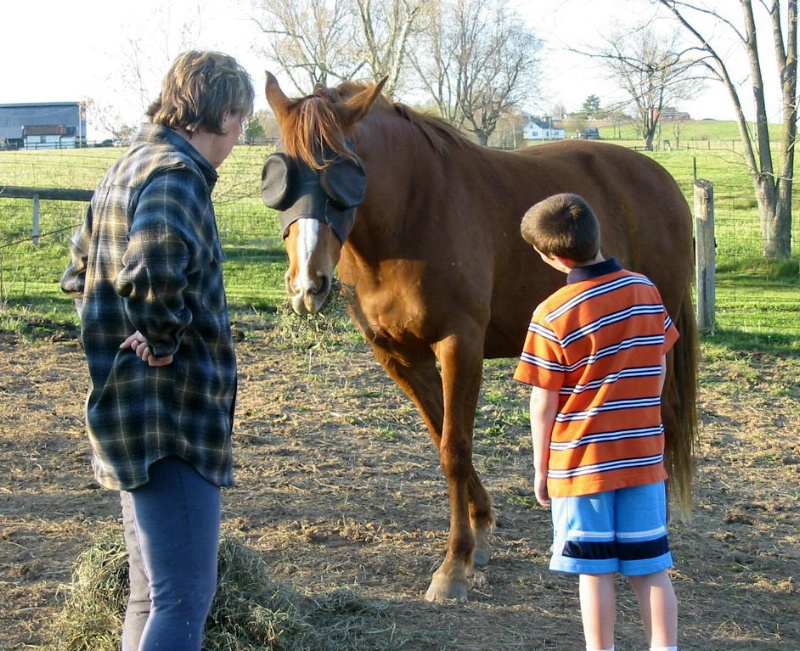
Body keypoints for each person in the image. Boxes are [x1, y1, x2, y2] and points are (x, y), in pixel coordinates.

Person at [61, 50, 254, 651]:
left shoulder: (126, 166)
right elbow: (155, 264)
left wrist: (122, 325)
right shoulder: (175, 173)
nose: (241, 135)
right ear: (223, 114)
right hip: (172, 416)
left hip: (126, 410)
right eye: (243, 120)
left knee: (150, 592)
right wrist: (161, 335)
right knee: (184, 596)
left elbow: (76, 272)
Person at [513, 193, 680, 651]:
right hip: (643, 456)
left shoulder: (552, 314)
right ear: (596, 234)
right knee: (651, 567)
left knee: (595, 570)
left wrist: (541, 467)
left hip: (581, 463)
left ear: (549, 256)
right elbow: (660, 366)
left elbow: (543, 402)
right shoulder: (645, 290)